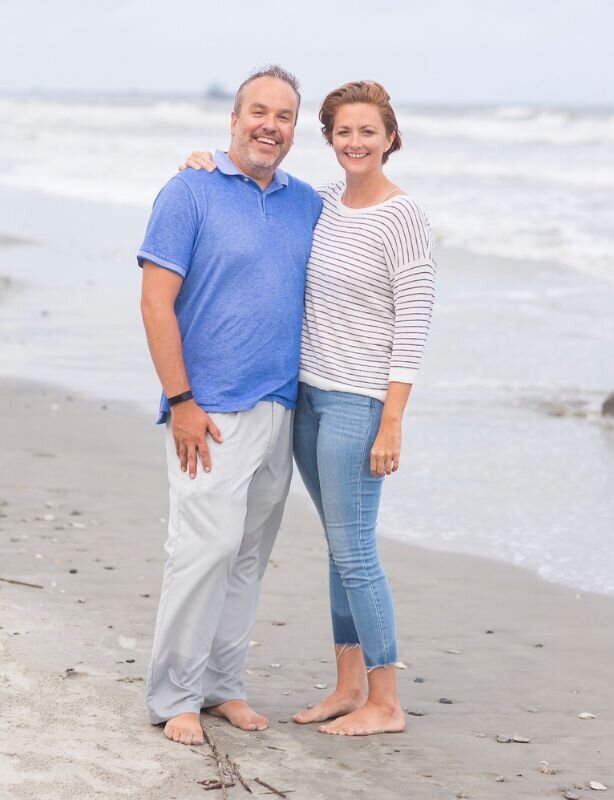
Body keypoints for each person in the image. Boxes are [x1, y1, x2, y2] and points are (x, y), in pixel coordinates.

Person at [184, 80, 435, 736]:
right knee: (337, 547)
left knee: (355, 549)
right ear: (330, 140)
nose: (355, 142)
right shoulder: (319, 204)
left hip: (359, 402)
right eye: (343, 132)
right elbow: (253, 189)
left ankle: (385, 701)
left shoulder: (402, 216)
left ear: (391, 139)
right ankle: (350, 687)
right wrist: (207, 163)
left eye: (368, 132)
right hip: (306, 396)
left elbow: (414, 322)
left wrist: (393, 419)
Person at [138, 65, 322, 746]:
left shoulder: (306, 203)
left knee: (246, 554)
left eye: (284, 117)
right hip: (208, 408)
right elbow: (155, 302)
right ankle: (174, 696)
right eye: (259, 112)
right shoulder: (189, 191)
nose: (270, 126)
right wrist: (181, 400)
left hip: (280, 406)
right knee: (202, 549)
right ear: (234, 119)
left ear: (294, 131)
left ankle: (221, 686)